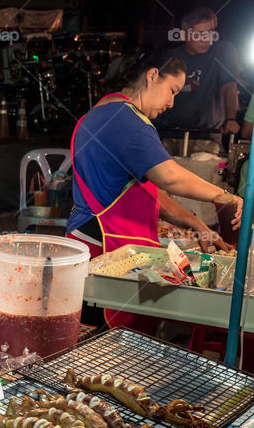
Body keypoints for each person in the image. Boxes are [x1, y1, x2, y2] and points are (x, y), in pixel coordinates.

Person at [67, 48, 242, 328]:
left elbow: (146, 192)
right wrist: (225, 196)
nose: (172, 103)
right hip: (102, 247)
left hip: (93, 241)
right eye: (172, 90)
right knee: (102, 345)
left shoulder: (106, 110)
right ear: (152, 76)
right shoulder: (127, 121)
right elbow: (170, 177)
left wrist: (197, 223)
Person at [156, 7, 240, 154]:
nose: (207, 38)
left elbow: (229, 87)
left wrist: (230, 119)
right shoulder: (171, 56)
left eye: (211, 32)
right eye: (200, 33)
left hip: (207, 136)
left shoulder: (224, 51)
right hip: (168, 133)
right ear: (183, 35)